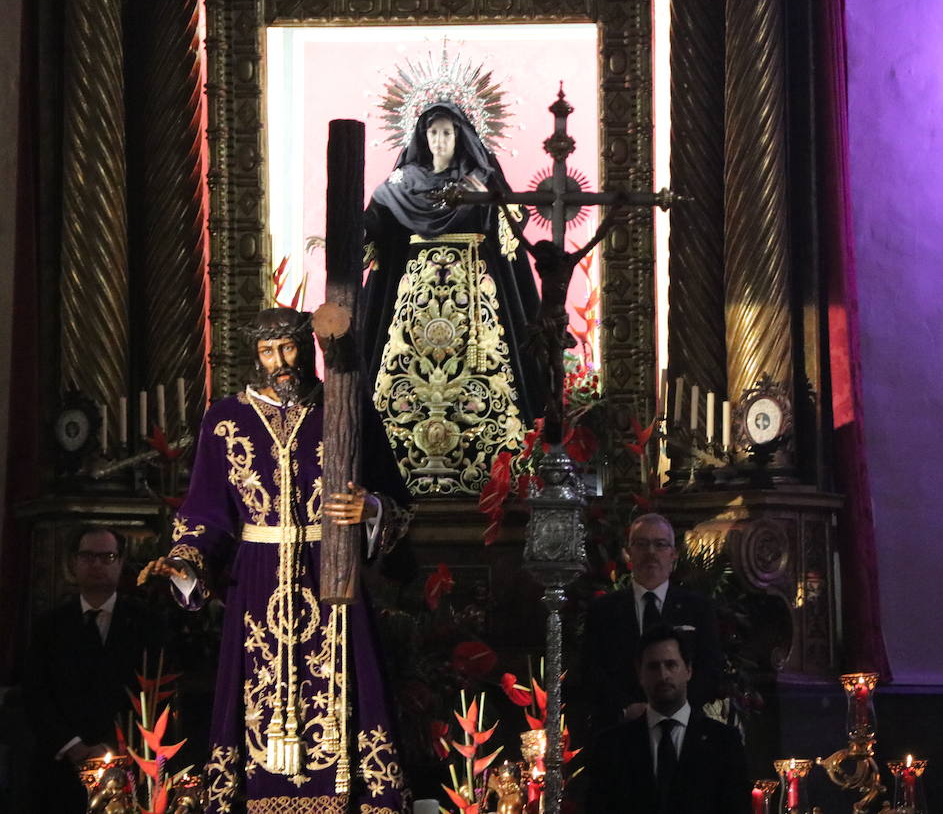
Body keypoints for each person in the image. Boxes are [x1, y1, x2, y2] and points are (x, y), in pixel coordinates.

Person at [140, 307, 411, 814]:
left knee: (349, 693)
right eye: (267, 352)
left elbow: (396, 501)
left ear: (306, 348)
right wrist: (187, 562)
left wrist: (369, 509)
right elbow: (206, 514)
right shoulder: (224, 420)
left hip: (333, 577)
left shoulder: (346, 409)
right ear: (254, 357)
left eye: (287, 349)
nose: (279, 362)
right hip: (257, 584)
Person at [358, 101, 542, 496]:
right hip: (414, 306)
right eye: (433, 132)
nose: (439, 140)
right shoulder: (400, 184)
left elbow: (510, 222)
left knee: (479, 384)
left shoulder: (480, 181)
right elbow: (373, 225)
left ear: (460, 137)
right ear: (421, 137)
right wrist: (345, 234)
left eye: (447, 132)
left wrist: (507, 205)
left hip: (474, 307)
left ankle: (494, 470)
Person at [23, 526, 164, 814]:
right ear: (73, 563)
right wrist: (74, 747)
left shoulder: (147, 624)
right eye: (88, 557)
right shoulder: (49, 626)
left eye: (107, 557)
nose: (97, 565)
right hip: (61, 767)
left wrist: (118, 749)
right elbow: (35, 694)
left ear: (121, 563)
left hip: (130, 765)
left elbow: (158, 691)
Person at [582, 626, 749, 814]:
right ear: (640, 674)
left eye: (671, 665)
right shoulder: (612, 746)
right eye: (653, 667)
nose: (663, 676)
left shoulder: (724, 742)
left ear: (688, 669)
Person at [581, 513, 724, 731]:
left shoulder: (698, 609)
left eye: (660, 545)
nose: (651, 553)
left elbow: (711, 669)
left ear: (673, 554)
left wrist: (672, 709)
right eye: (642, 544)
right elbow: (591, 671)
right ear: (627, 553)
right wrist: (626, 708)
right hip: (620, 732)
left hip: (682, 730)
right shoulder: (603, 610)